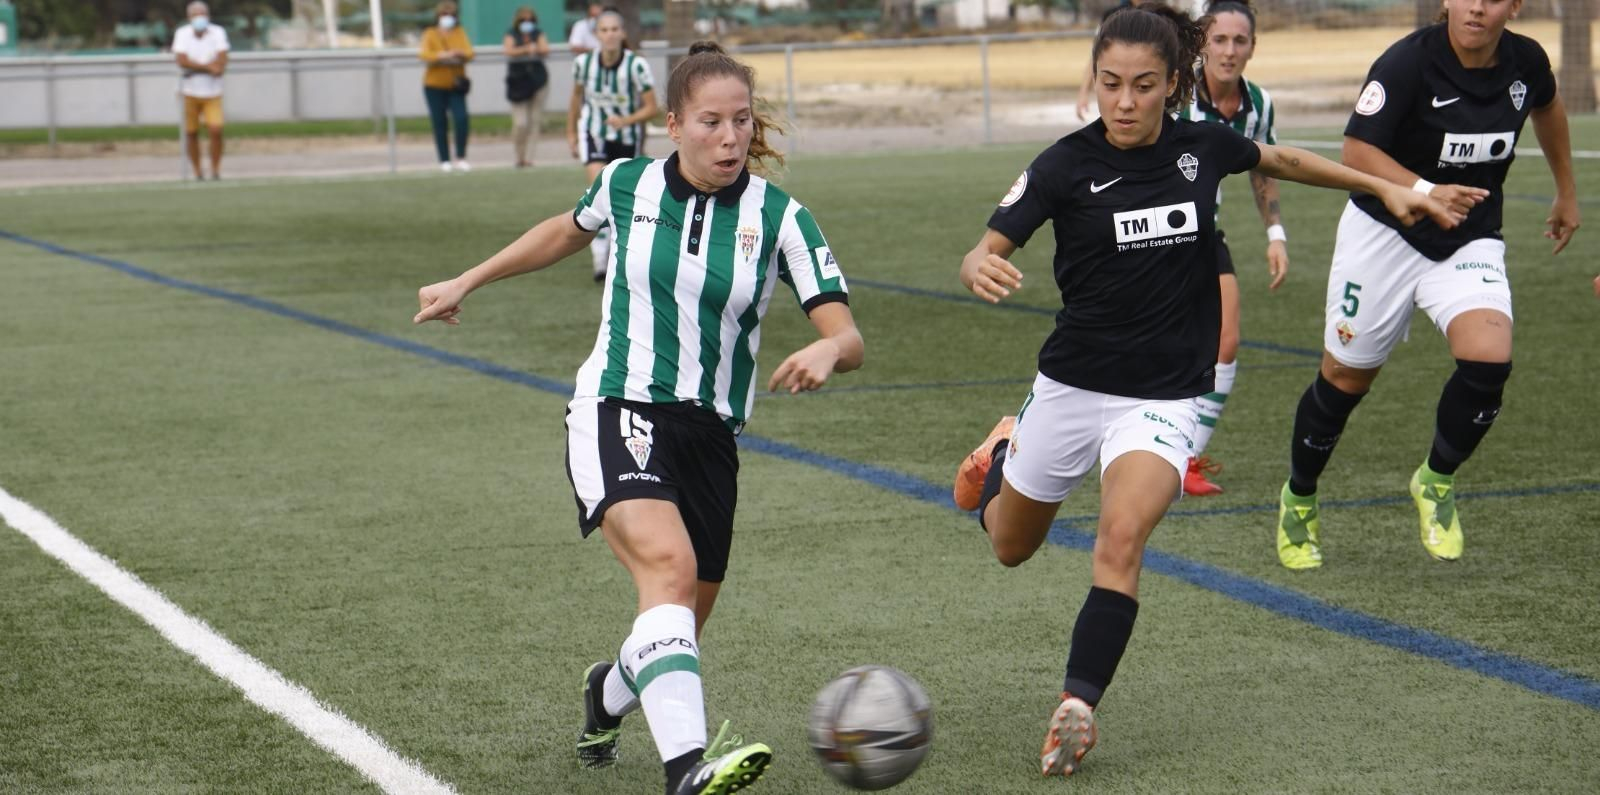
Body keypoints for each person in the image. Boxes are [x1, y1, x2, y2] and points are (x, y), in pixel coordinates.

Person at [951, 4, 1463, 778]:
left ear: (1172, 84)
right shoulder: (1062, 165)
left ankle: (1077, 704)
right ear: (1094, 80)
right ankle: (1001, 451)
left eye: (1143, 85)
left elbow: (1282, 159)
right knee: (1009, 545)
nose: (1125, 101)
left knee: (1121, 538)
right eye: (1110, 83)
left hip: (1163, 396)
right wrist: (977, 264)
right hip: (1070, 387)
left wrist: (1386, 189)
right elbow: (985, 245)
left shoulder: (1201, 147)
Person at [414, 41, 863, 795]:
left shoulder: (782, 217)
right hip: (618, 405)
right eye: (712, 122)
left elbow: (848, 336)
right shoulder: (626, 183)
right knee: (669, 570)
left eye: (742, 122)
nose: (730, 138)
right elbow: (566, 229)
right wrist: (468, 279)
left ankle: (606, 692)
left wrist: (829, 349)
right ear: (674, 125)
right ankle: (686, 769)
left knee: (676, 618)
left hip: (711, 437)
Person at [1273, 0, 1582, 569]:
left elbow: (1549, 105)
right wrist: (1423, 189)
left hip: (1468, 235)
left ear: (1515, 6)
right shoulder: (1407, 62)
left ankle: (1435, 481)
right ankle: (1300, 497)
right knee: (1345, 379)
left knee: (1489, 361)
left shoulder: (1527, 62)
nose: (1477, 7)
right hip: (1383, 232)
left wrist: (1566, 190)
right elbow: (1356, 150)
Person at [1172, 0, 1288, 495]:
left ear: (1252, 47)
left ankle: (1185, 460)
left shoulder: (1258, 104)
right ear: (1203, 44)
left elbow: (1264, 168)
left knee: (1226, 342)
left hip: (1204, 235)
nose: (1229, 50)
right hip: (1151, 236)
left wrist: (1275, 235)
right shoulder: (1174, 94)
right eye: (1219, 39)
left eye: (1239, 41)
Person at [567, 9, 659, 282]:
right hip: (594, 132)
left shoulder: (636, 65)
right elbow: (575, 99)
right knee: (599, 189)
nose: (609, 35)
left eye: (614, 29)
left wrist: (626, 120)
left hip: (627, 138)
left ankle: (619, 251)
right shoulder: (583, 63)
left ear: (622, 33)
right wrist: (570, 132)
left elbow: (652, 107)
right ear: (597, 34)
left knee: (621, 196)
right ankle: (599, 257)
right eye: (604, 30)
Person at [171, 1, 229, 181]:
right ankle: (197, 171)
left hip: (213, 91)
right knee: (191, 132)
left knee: (216, 130)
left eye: (202, 14)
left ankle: (215, 169)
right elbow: (182, 61)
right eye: (196, 15)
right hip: (188, 91)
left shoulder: (218, 32)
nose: (200, 18)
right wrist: (207, 67)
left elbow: (221, 61)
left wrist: (200, 67)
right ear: (189, 17)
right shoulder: (182, 34)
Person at [419, 1, 475, 173]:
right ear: (438, 16)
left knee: (461, 118)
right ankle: (444, 160)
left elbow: (469, 52)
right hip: (434, 85)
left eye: (451, 15)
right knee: (439, 122)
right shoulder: (430, 33)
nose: (448, 18)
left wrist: (460, 53)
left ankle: (461, 157)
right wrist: (442, 55)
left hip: (455, 85)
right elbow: (424, 54)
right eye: (445, 14)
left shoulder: (459, 32)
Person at [504, 6, 552, 168]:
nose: (527, 23)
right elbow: (509, 50)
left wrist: (536, 48)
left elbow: (545, 49)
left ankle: (529, 158)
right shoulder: (512, 33)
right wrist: (526, 49)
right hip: (518, 83)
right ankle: (519, 156)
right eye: (523, 20)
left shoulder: (538, 33)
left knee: (535, 121)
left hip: (538, 81)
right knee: (521, 123)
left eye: (530, 20)